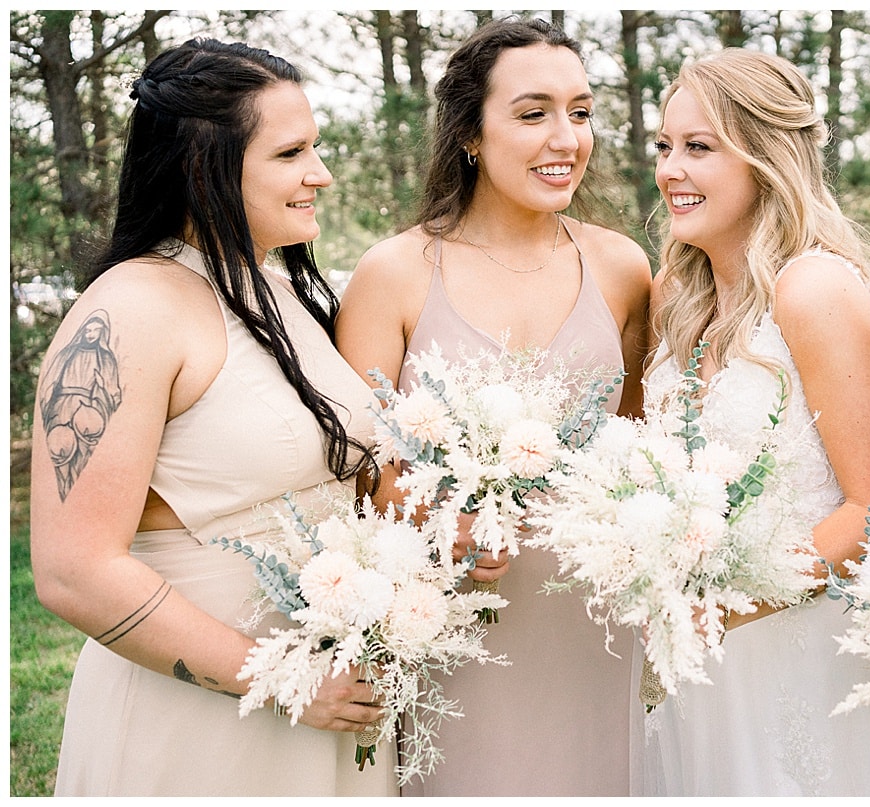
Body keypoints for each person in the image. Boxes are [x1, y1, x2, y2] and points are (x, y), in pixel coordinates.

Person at [29, 38, 399, 796]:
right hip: (202, 720)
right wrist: (288, 678)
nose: (320, 175)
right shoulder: (131, 308)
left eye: (316, 149)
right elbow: (73, 571)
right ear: (206, 165)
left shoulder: (283, 296)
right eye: (292, 152)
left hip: (329, 698)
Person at [334, 17, 652, 797]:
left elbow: (638, 442)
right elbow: (353, 468)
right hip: (455, 620)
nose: (566, 138)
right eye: (533, 112)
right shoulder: (395, 273)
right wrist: (438, 520)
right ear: (470, 133)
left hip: (594, 621)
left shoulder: (621, 267)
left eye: (580, 112)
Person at [630, 48, 870, 796]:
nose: (670, 170)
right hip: (689, 656)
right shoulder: (675, 295)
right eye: (664, 147)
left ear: (765, 157)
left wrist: (726, 606)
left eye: (698, 148)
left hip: (799, 654)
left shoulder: (813, 288)